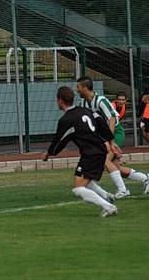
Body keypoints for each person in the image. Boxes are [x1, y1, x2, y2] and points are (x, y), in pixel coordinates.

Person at [42, 86, 119, 217]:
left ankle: (109, 206)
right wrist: (111, 141)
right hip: (95, 151)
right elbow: (100, 121)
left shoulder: (66, 120)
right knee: (82, 180)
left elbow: (59, 140)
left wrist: (49, 153)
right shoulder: (85, 110)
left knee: (78, 189)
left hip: (92, 154)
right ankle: (107, 196)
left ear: (60, 101)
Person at [76, 76, 149, 197]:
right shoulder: (83, 103)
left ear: (84, 88)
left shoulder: (100, 100)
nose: (77, 90)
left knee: (105, 161)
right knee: (115, 167)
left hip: (115, 132)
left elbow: (112, 119)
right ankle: (145, 178)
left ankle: (123, 190)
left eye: (78, 87)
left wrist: (110, 140)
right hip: (104, 135)